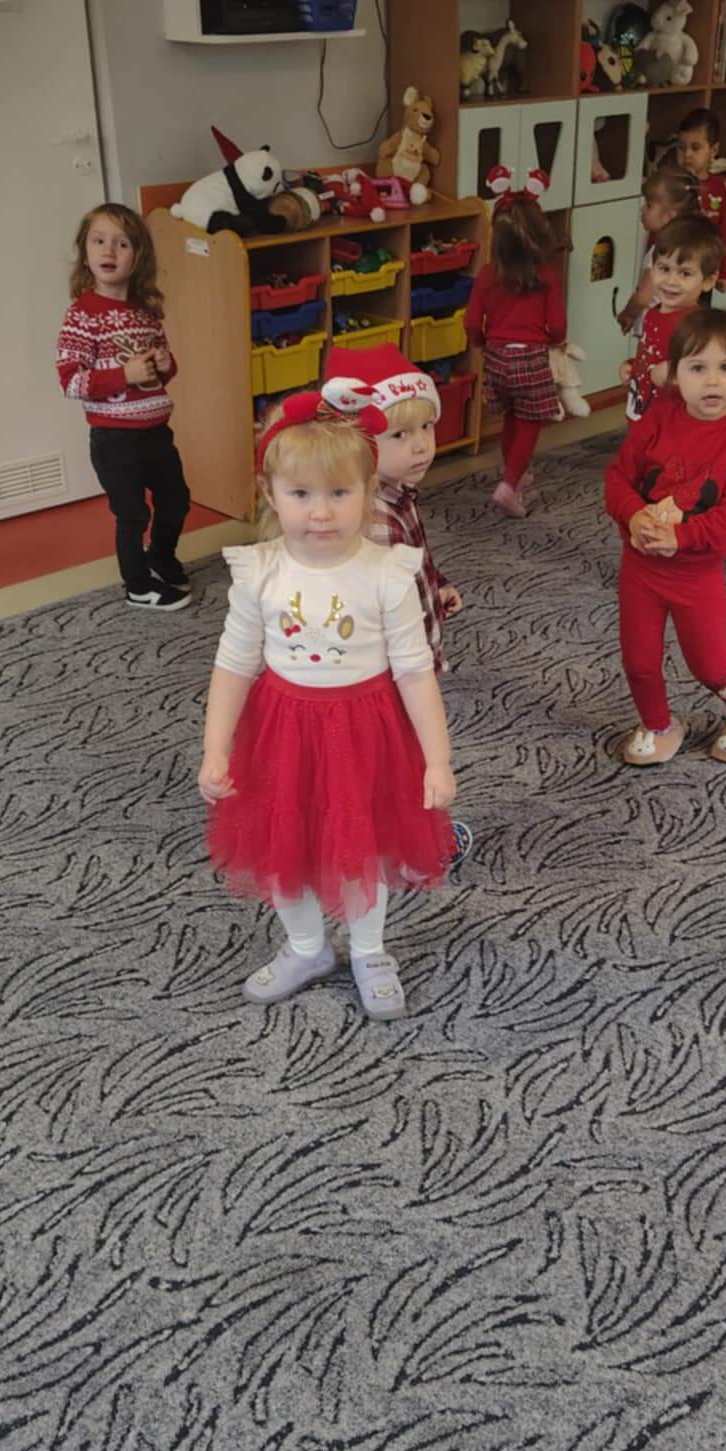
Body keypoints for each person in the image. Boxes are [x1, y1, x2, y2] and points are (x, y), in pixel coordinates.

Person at [199, 398, 455, 1018]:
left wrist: (437, 760)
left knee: (362, 847)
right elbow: (234, 664)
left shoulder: (386, 573)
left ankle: (369, 952)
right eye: (301, 494)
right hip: (282, 731)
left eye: (340, 492)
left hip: (366, 731)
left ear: (368, 492)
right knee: (284, 843)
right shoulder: (260, 572)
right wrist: (215, 749)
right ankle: (307, 947)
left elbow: (414, 671)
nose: (320, 511)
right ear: (271, 493)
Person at [605, 308, 726, 767]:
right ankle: (658, 724)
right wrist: (634, 516)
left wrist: (682, 537)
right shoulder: (656, 419)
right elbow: (618, 479)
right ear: (674, 374)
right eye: (698, 367)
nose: (712, 381)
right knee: (639, 661)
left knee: (710, 665)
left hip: (696, 576)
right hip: (641, 570)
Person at [342, 342, 475, 875]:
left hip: (402, 661)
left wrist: (434, 587)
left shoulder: (396, 494)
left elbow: (410, 564)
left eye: (426, 427)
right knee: (410, 759)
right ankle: (420, 848)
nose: (421, 445)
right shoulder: (375, 519)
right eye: (399, 435)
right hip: (392, 673)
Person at [56, 203, 190, 611]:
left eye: (122, 243)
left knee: (176, 500)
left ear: (138, 256)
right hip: (114, 439)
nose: (108, 251)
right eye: (98, 241)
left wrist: (165, 366)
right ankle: (137, 586)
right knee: (132, 514)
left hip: (156, 432)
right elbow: (71, 382)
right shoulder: (82, 315)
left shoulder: (145, 313)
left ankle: (160, 558)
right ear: (86, 252)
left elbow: (162, 371)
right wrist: (124, 375)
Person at [465, 169, 566, 519]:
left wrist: (481, 343)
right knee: (529, 423)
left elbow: (471, 323)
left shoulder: (487, 275)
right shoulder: (547, 277)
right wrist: (555, 341)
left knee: (511, 417)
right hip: (530, 360)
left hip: (497, 359)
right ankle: (509, 485)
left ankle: (516, 473)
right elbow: (557, 326)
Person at [618, 216, 724, 421]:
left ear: (708, 281)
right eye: (664, 269)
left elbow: (709, 379)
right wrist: (633, 366)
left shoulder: (699, 327)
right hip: (643, 412)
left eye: (685, 273)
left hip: (673, 421)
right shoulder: (653, 314)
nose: (671, 281)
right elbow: (651, 355)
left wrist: (675, 374)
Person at [618, 162, 701, 333]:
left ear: (669, 216)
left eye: (649, 205)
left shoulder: (662, 254)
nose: (642, 209)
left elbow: (643, 298)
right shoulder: (687, 248)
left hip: (654, 328)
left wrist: (627, 314)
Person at [673, 108, 726, 290]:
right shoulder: (672, 184)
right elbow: (658, 231)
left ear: (713, 150)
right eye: (681, 147)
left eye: (695, 148)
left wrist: (724, 272)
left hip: (704, 273)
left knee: (700, 309)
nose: (687, 154)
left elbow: (724, 231)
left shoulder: (718, 187)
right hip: (674, 271)